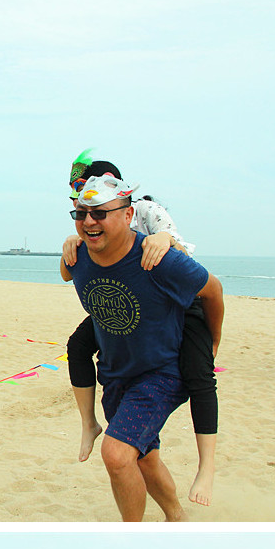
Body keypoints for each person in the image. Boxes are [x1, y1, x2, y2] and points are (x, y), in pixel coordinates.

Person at [60, 172, 224, 522]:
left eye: (100, 213)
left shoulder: (158, 258)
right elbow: (66, 271)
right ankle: (177, 518)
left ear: (128, 215)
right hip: (115, 374)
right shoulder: (77, 258)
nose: (89, 222)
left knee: (117, 455)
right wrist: (70, 245)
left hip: (161, 374)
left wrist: (213, 340)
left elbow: (212, 290)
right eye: (81, 214)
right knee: (144, 459)